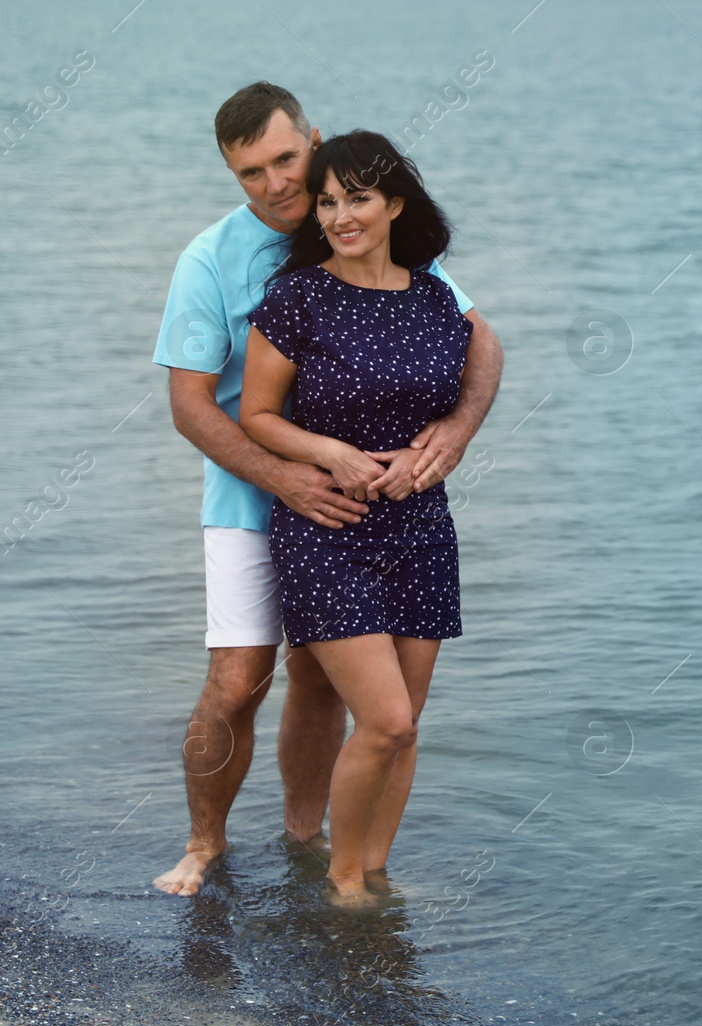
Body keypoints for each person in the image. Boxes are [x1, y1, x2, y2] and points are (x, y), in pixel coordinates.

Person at [151, 83, 503, 897]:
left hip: (373, 512)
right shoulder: (209, 260)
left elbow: (479, 346)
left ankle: (308, 842)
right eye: (250, 173)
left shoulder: (362, 219)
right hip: (251, 502)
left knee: (323, 683)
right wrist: (287, 478)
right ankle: (205, 844)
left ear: (309, 139)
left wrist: (453, 435)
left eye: (283, 159)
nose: (275, 183)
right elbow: (191, 406)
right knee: (240, 680)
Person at [240, 130, 475, 905]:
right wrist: (329, 452)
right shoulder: (300, 296)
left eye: (358, 199)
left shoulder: (437, 298)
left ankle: (376, 874)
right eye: (329, 201)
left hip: (420, 530)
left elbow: (467, 388)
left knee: (407, 724)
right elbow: (258, 415)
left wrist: (439, 445)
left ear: (394, 204)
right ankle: (342, 885)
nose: (340, 215)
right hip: (326, 528)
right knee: (386, 720)